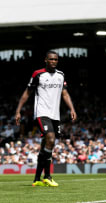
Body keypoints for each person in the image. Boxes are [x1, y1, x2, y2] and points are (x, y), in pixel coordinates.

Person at [15, 51, 77, 187]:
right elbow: (27, 93)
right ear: (45, 60)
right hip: (42, 112)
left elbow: (65, 94)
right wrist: (18, 110)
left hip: (55, 115)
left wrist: (72, 109)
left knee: (46, 145)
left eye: (56, 59)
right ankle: (47, 176)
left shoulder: (61, 75)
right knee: (50, 138)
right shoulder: (38, 74)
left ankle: (37, 179)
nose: (53, 61)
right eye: (51, 59)